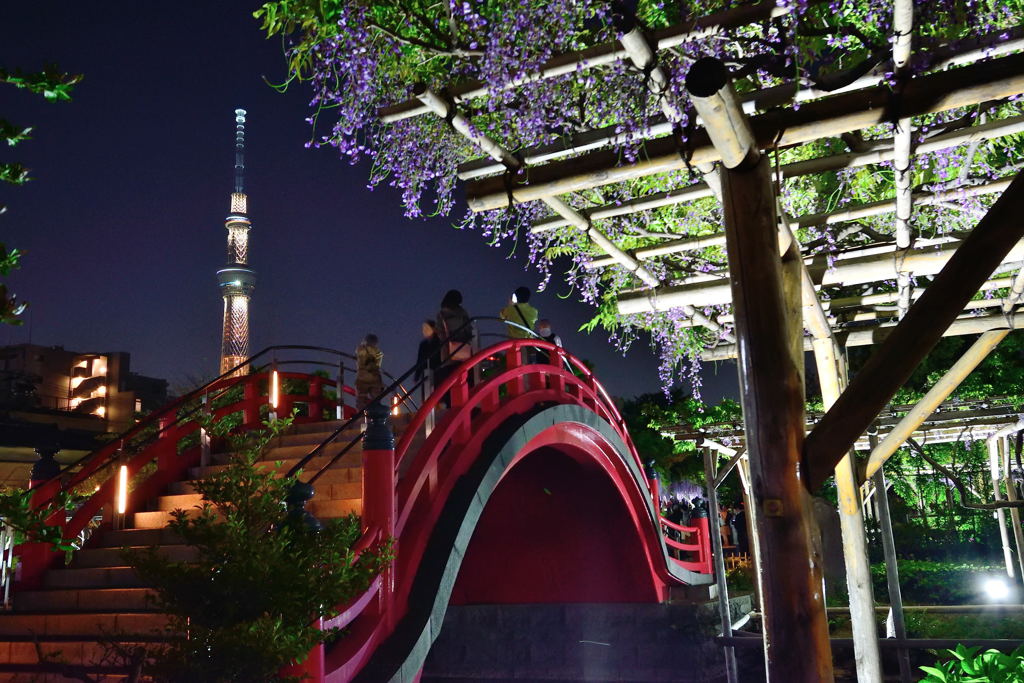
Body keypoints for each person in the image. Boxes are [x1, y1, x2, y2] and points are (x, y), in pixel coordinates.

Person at [434, 290, 472, 402]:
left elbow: (440, 332)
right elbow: (469, 330)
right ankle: (464, 402)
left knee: (448, 380)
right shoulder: (463, 312)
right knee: (463, 377)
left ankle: (451, 404)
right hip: (463, 350)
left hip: (448, 352)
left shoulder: (442, 313)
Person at [354, 334, 384, 410]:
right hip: (374, 378)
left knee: (361, 399)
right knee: (376, 399)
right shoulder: (378, 352)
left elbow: (360, 360)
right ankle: (376, 417)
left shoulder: (360, 349)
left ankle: (360, 417)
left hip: (362, 377)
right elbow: (378, 366)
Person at [415, 319, 443, 388]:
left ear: (433, 329)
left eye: (426, 328)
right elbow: (419, 360)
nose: (424, 330)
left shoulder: (440, 341)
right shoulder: (423, 344)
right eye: (423, 328)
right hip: (425, 373)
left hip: (437, 372)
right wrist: (417, 375)